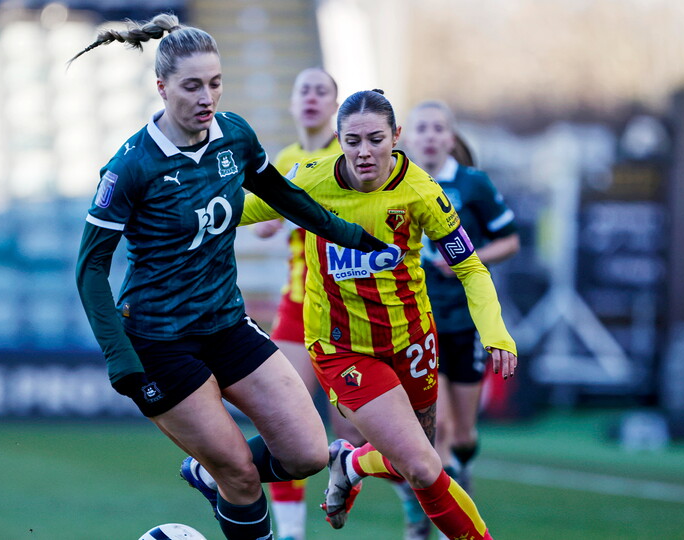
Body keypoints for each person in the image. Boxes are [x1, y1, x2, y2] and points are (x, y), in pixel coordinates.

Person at [70, 15, 385, 540]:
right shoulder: (129, 168)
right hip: (159, 343)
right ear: (162, 87)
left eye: (215, 83)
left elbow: (282, 194)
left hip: (226, 325)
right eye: (192, 85)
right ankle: (223, 477)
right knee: (241, 474)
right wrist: (119, 357)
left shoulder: (234, 135)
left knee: (307, 453)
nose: (206, 96)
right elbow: (90, 269)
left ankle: (204, 472)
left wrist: (349, 234)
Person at [240, 89, 518, 539]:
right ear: (338, 139)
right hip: (342, 347)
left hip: (411, 340)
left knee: (418, 458)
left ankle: (351, 462)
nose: (363, 152)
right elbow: (240, 209)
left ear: (396, 137)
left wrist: (496, 332)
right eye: (352, 141)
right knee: (425, 467)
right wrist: (167, 209)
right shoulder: (309, 179)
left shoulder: (422, 192)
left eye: (375, 139)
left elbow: (469, 266)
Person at [250, 67, 363, 540]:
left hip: (349, 308)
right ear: (294, 105)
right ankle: (291, 533)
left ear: (334, 105)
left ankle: (402, 509)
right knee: (285, 420)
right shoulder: (288, 159)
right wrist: (269, 222)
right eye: (305, 91)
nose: (313, 98)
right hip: (298, 304)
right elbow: (264, 219)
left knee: (352, 433)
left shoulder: (352, 157)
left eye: (323, 91)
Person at [405, 101, 520, 497]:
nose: (430, 136)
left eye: (438, 129)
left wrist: (466, 262)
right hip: (419, 321)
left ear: (451, 138)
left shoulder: (473, 184)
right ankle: (442, 506)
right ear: (407, 137)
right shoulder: (396, 183)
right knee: (441, 427)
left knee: (465, 433)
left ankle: (461, 466)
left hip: (466, 319)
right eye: (422, 129)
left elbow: (510, 241)